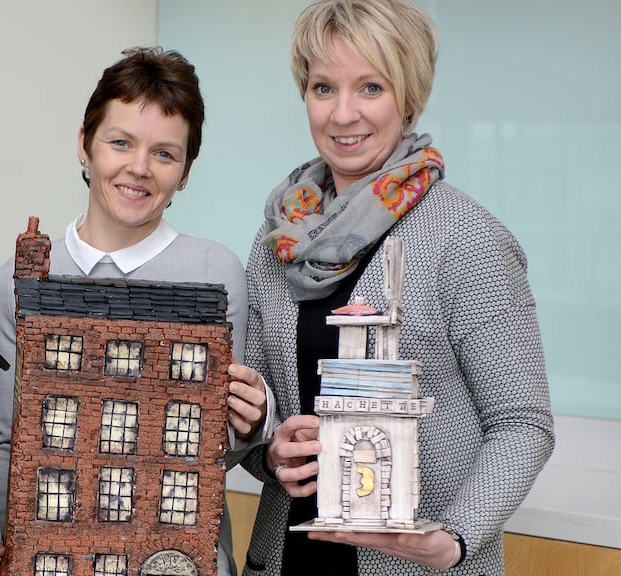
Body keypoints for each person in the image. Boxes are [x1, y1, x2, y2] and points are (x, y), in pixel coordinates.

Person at [234, 1, 556, 574]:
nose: (343, 113)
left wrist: (455, 537)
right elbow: (261, 415)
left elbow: (522, 423)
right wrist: (269, 451)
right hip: (288, 559)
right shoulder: (276, 239)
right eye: (323, 87)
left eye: (371, 87)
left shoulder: (465, 236)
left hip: (420, 565)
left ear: (408, 98)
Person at [0, 47, 274, 576]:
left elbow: (219, 449)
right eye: (121, 143)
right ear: (85, 146)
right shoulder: (13, 285)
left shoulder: (217, 272)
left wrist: (250, 424)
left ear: (185, 172)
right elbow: (7, 442)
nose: (139, 169)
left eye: (165, 153)